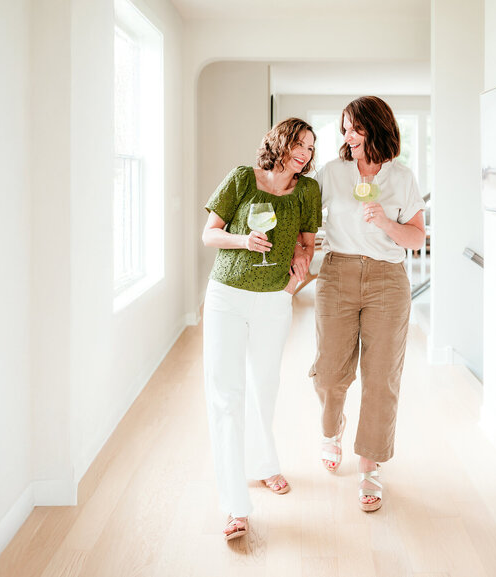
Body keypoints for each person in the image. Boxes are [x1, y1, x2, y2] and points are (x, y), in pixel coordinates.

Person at [301, 96, 425, 512]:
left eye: (355, 128)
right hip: (337, 274)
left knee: (381, 376)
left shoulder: (402, 177)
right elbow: (304, 217)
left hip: (388, 281)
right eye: (345, 128)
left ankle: (370, 463)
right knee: (331, 371)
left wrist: (386, 222)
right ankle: (331, 430)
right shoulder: (332, 173)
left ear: (375, 127)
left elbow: (416, 239)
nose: (347, 136)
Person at [201, 118, 321, 541]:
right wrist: (244, 242)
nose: (304, 153)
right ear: (279, 142)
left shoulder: (308, 190)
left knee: (263, 388)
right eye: (298, 144)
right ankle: (235, 507)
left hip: (274, 300)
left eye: (310, 147)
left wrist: (295, 277)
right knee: (226, 397)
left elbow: (307, 244)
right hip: (227, 297)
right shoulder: (241, 178)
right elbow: (209, 234)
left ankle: (263, 464)